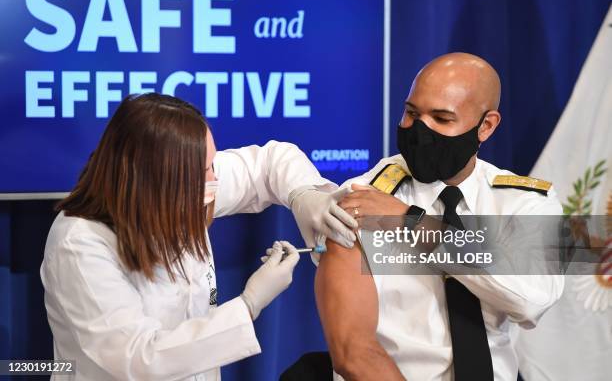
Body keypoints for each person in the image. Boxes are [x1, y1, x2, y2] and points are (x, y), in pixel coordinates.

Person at [40, 93, 357, 380]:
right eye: (205, 170)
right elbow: (137, 360)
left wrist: (302, 195)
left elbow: (271, 162)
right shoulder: (79, 244)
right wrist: (249, 304)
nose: (216, 179)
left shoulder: (183, 191)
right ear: (159, 179)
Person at [314, 53, 565, 381]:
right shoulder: (362, 195)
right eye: (411, 113)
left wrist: (412, 223)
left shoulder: (524, 202)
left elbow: (531, 300)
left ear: (486, 126)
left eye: (442, 119)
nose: (420, 130)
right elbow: (353, 353)